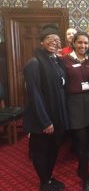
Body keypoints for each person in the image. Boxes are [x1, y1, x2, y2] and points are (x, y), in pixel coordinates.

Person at [23, 24, 69, 191]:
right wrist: (45, 122)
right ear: (41, 42)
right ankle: (44, 182)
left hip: (56, 116)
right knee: (41, 151)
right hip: (41, 119)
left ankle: (48, 178)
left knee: (53, 149)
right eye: (49, 40)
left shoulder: (56, 61)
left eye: (57, 40)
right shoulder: (34, 63)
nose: (54, 43)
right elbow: (34, 95)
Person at [61, 32, 89, 191]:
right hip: (75, 103)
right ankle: (86, 176)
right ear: (74, 43)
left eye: (86, 43)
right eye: (80, 43)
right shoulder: (65, 61)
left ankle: (81, 169)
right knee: (81, 141)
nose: (83, 46)